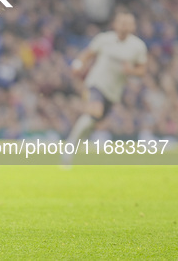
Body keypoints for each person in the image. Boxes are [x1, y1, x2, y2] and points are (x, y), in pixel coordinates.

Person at [63, 11, 147, 165]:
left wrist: (131, 71)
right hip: (96, 83)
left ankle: (73, 145)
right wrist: (77, 65)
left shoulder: (138, 46)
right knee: (95, 111)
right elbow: (87, 54)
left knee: (93, 122)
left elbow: (142, 70)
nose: (124, 26)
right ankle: (69, 149)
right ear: (115, 24)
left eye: (128, 23)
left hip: (114, 92)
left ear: (133, 26)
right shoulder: (104, 39)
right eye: (122, 22)